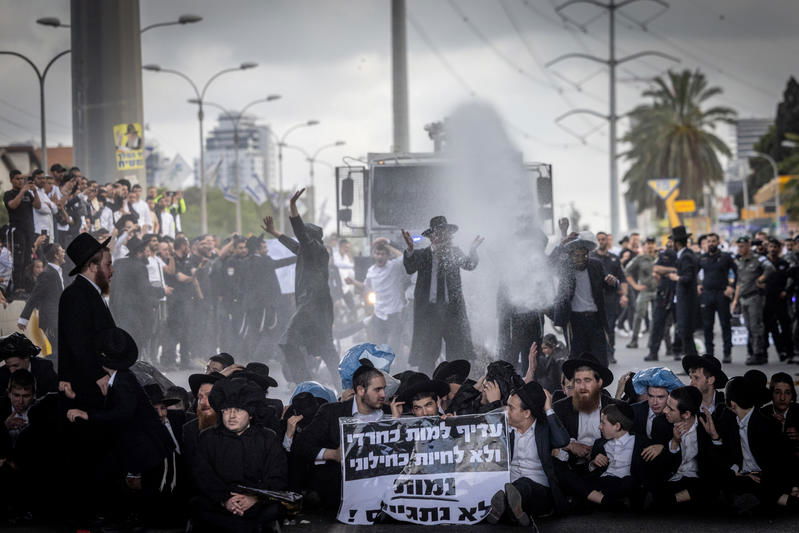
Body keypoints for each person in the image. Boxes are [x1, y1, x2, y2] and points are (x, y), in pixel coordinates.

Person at [65, 327, 175, 527]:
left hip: (147, 448)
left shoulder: (123, 381)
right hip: (139, 446)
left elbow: (122, 413)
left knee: (142, 494)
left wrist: (87, 415)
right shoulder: (119, 378)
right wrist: (77, 398)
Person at [191, 378, 287, 532]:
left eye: (238, 410)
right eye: (227, 410)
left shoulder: (267, 438)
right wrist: (225, 500)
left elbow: (277, 475)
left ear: (250, 414)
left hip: (257, 502)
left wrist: (253, 498)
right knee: (197, 506)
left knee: (275, 509)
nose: (231, 416)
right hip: (218, 503)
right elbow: (202, 475)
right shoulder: (208, 437)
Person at [263, 189, 339, 385]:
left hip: (313, 304)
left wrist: (293, 207)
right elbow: (293, 243)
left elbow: (299, 235)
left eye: (304, 236)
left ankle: (306, 382)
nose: (300, 239)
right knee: (325, 348)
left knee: (288, 341)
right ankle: (339, 382)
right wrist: (274, 232)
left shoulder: (316, 249)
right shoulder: (308, 251)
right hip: (314, 305)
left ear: (311, 238)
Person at [293, 363, 387, 512]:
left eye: (384, 389)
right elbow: (301, 445)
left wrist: (397, 422)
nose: (383, 395)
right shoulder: (332, 413)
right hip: (339, 493)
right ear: (361, 390)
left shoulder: (389, 412)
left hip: (382, 493)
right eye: (377, 390)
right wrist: (333, 454)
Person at [403, 216, 483, 375]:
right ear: (431, 237)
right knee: (427, 354)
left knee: (456, 353)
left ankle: (454, 386)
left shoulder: (454, 253)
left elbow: (469, 264)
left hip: (452, 312)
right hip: (429, 313)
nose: (442, 237)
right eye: (438, 233)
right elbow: (410, 267)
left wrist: (473, 250)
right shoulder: (422, 254)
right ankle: (426, 386)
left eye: (445, 233)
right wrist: (410, 250)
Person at [486, 381, 569, 526]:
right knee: (511, 490)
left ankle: (507, 507)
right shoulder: (504, 427)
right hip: (509, 484)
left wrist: (549, 409)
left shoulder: (543, 429)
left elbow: (562, 440)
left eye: (511, 408)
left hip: (540, 492)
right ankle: (515, 510)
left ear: (526, 413)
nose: (506, 411)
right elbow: (474, 427)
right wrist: (448, 422)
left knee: (524, 486)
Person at [721, 376, 798, 512]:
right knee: (726, 481)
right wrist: (738, 474)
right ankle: (777, 500)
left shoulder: (767, 423)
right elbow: (726, 456)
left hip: (765, 476)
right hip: (742, 476)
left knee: (759, 486)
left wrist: (794, 485)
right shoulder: (728, 421)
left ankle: (776, 500)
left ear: (732, 404)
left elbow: (784, 460)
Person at [552, 232, 613, 365]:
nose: (580, 259)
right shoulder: (565, 268)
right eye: (576, 256)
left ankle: (600, 384)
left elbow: (608, 288)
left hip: (595, 319)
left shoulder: (596, 265)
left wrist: (612, 282)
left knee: (601, 359)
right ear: (571, 256)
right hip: (574, 321)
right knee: (576, 359)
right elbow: (550, 263)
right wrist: (561, 244)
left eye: (584, 255)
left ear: (588, 254)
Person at [658, 386, 724, 506]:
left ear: (686, 414)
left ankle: (672, 501)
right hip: (672, 479)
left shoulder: (707, 423)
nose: (664, 411)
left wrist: (714, 436)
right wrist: (675, 441)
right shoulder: (661, 423)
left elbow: (717, 465)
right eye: (666, 405)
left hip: (697, 481)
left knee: (712, 485)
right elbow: (662, 466)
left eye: (670, 409)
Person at [347, 239, 408, 352]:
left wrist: (387, 245)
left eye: (382, 254)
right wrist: (353, 282)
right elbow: (366, 286)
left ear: (387, 256)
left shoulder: (394, 266)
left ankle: (398, 366)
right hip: (379, 314)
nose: (379, 256)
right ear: (374, 255)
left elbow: (404, 257)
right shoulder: (371, 271)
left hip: (394, 313)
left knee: (394, 347)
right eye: (377, 253)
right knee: (378, 345)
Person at [110, 237, 156, 357]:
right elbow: (144, 291)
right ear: (139, 252)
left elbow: (113, 288)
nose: (148, 253)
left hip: (118, 311)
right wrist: (162, 291)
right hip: (135, 314)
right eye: (146, 250)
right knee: (135, 346)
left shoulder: (118, 263)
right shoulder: (140, 267)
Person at [18, 243, 65, 358]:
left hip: (57, 319)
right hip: (51, 321)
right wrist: (24, 318)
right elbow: (34, 296)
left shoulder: (57, 272)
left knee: (60, 350)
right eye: (61, 251)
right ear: (56, 255)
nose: (64, 252)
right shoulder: (47, 274)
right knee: (58, 351)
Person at [697, 233, 737, 363]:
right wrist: (698, 284)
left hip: (722, 294)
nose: (711, 244)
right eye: (708, 241)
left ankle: (727, 352)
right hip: (707, 295)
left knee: (725, 324)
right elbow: (694, 273)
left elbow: (737, 272)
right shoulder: (702, 258)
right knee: (708, 326)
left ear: (718, 242)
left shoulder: (726, 257)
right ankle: (709, 355)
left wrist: (731, 286)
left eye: (713, 241)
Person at [732, 236, 771, 365]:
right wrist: (735, 300)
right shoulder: (741, 261)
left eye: (742, 246)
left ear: (748, 245)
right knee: (748, 327)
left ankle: (758, 353)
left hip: (755, 297)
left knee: (756, 326)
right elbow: (739, 282)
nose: (740, 248)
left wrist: (761, 279)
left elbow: (770, 268)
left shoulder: (758, 258)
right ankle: (752, 352)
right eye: (738, 246)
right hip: (743, 298)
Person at [591, 231, 628, 365]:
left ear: (608, 241)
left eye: (603, 239)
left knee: (610, 327)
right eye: (599, 239)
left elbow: (622, 278)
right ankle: (599, 353)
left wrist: (624, 295)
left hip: (611, 299)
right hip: (595, 299)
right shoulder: (591, 258)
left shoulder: (614, 258)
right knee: (596, 328)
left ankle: (610, 352)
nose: (601, 242)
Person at [4, 170, 41, 292]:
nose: (20, 181)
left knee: (28, 259)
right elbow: (12, 205)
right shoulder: (9, 194)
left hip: (29, 230)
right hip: (17, 231)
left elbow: (37, 206)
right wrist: (22, 191)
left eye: (21, 179)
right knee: (18, 260)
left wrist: (35, 191)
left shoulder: (28, 194)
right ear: (11, 180)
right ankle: (17, 287)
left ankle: (27, 287)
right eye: (17, 179)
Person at [763, 238, 794, 363]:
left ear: (779, 248)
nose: (773, 249)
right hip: (766, 300)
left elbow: (790, 279)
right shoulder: (763, 263)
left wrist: (786, 291)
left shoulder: (784, 263)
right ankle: (764, 354)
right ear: (768, 248)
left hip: (781, 300)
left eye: (775, 247)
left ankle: (789, 352)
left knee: (785, 327)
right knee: (768, 328)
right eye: (771, 246)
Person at [0, 332, 57, 399]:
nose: (12, 371)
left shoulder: (44, 368)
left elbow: (54, 395)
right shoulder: (2, 374)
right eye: (8, 366)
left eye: (16, 365)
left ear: (26, 358)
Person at [624, 237, 658, 349]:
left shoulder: (660, 257)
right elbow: (627, 271)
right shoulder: (640, 258)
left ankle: (658, 344)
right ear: (644, 246)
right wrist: (635, 286)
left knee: (659, 317)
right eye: (648, 243)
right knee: (638, 315)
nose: (650, 245)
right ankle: (634, 340)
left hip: (659, 291)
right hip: (645, 290)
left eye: (652, 243)